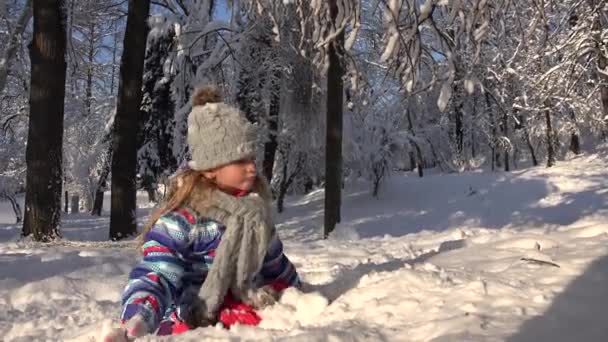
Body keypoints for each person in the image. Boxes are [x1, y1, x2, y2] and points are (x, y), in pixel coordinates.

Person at [103, 85, 300, 341]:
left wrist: (299, 296)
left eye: (252, 158)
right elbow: (158, 273)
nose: (252, 168)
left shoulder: (256, 216)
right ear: (210, 169)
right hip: (196, 318)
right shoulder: (182, 220)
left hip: (250, 312)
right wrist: (139, 317)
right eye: (240, 161)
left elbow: (276, 266)